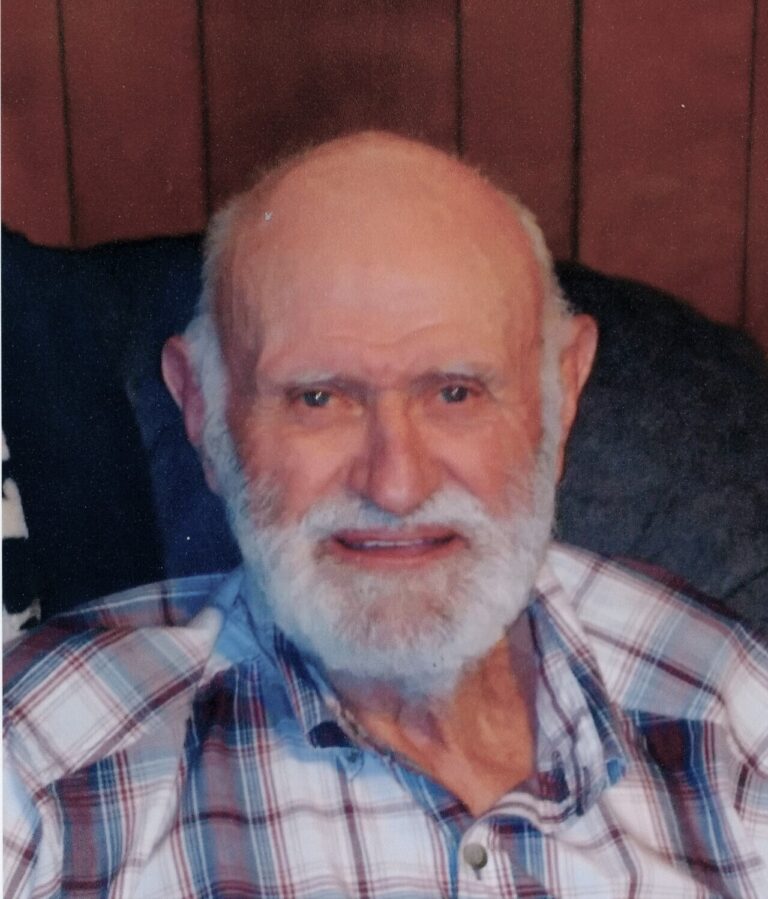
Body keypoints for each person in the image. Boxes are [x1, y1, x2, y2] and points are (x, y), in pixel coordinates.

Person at [4, 131, 767, 898]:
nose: (396, 485)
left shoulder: (731, 705)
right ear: (201, 409)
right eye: (318, 398)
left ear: (561, 393)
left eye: (456, 392)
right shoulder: (37, 778)